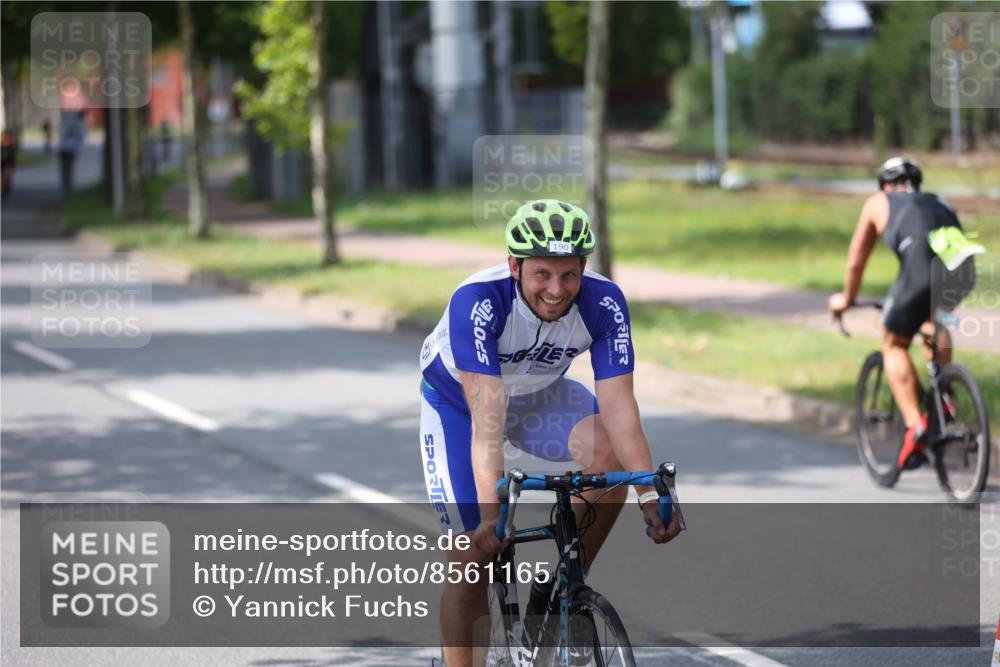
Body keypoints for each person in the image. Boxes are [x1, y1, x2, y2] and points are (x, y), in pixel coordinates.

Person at [419, 199, 681, 667]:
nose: (557, 291)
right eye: (542, 274)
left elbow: (620, 408)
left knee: (612, 459)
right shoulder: (477, 301)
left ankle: (560, 586)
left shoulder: (604, 301)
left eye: (569, 275)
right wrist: (490, 517)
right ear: (514, 266)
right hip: (461, 405)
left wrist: (648, 495)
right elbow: (487, 418)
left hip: (542, 394)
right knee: (470, 555)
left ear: (584, 269)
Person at [828, 157, 978, 471]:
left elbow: (856, 260)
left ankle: (916, 426)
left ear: (884, 184)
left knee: (894, 341)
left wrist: (847, 298)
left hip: (921, 271)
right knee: (931, 322)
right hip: (963, 271)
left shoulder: (878, 201)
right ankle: (944, 394)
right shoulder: (937, 199)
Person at [58, 110, 87, 198]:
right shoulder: (78, 122)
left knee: (66, 168)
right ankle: (68, 186)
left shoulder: (68, 117)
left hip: (66, 147)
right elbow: (80, 136)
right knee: (68, 168)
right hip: (68, 148)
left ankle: (67, 186)